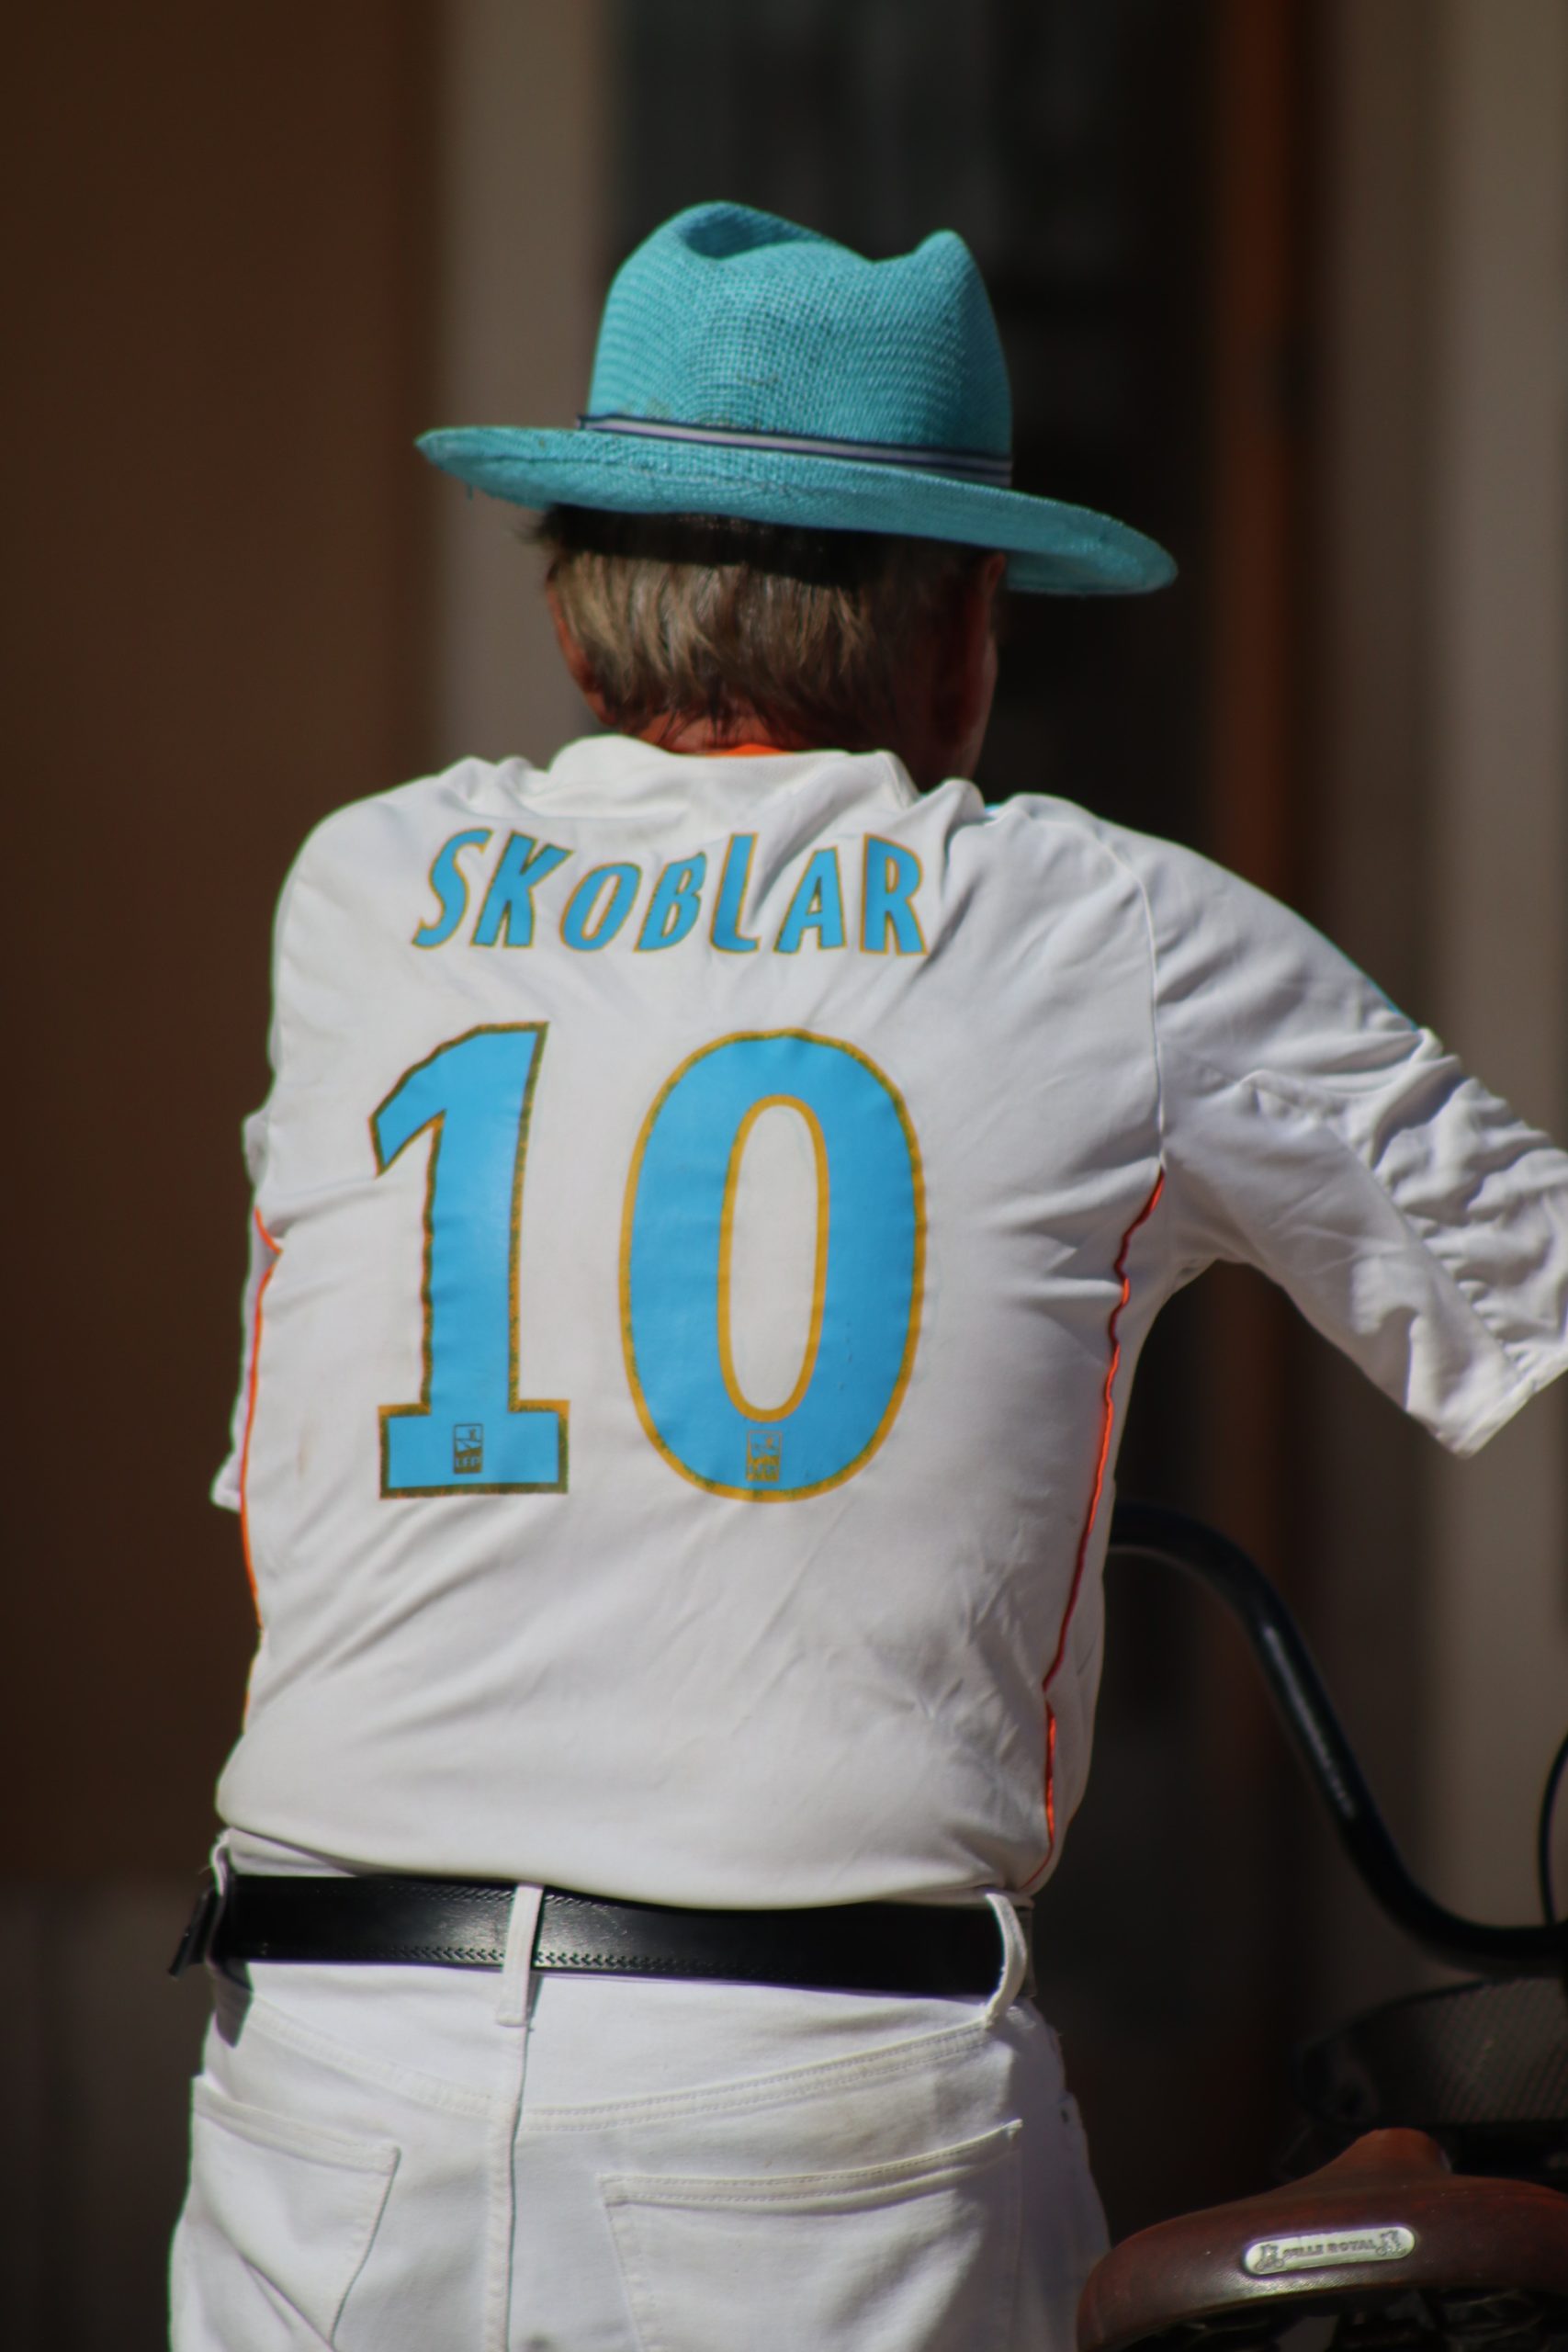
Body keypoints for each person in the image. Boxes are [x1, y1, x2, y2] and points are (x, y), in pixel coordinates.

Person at [169, 203, 1568, 2352]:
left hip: (328, 2091)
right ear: (960, 631)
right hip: (814, 2121)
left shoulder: (359, 892)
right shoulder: (1101, 928)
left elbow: (301, 1491)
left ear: (576, 615)